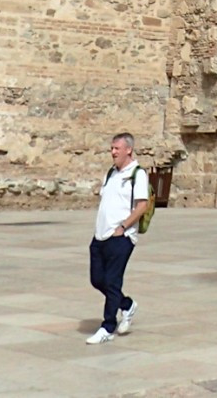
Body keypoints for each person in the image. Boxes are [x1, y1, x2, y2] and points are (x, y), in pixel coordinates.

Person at [86, 131, 150, 344]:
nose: (112, 152)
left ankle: (107, 327)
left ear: (128, 150)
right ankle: (127, 305)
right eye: (112, 148)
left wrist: (123, 227)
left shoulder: (137, 174)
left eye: (117, 148)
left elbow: (143, 205)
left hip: (121, 237)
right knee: (98, 280)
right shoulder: (111, 173)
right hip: (100, 235)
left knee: (112, 281)